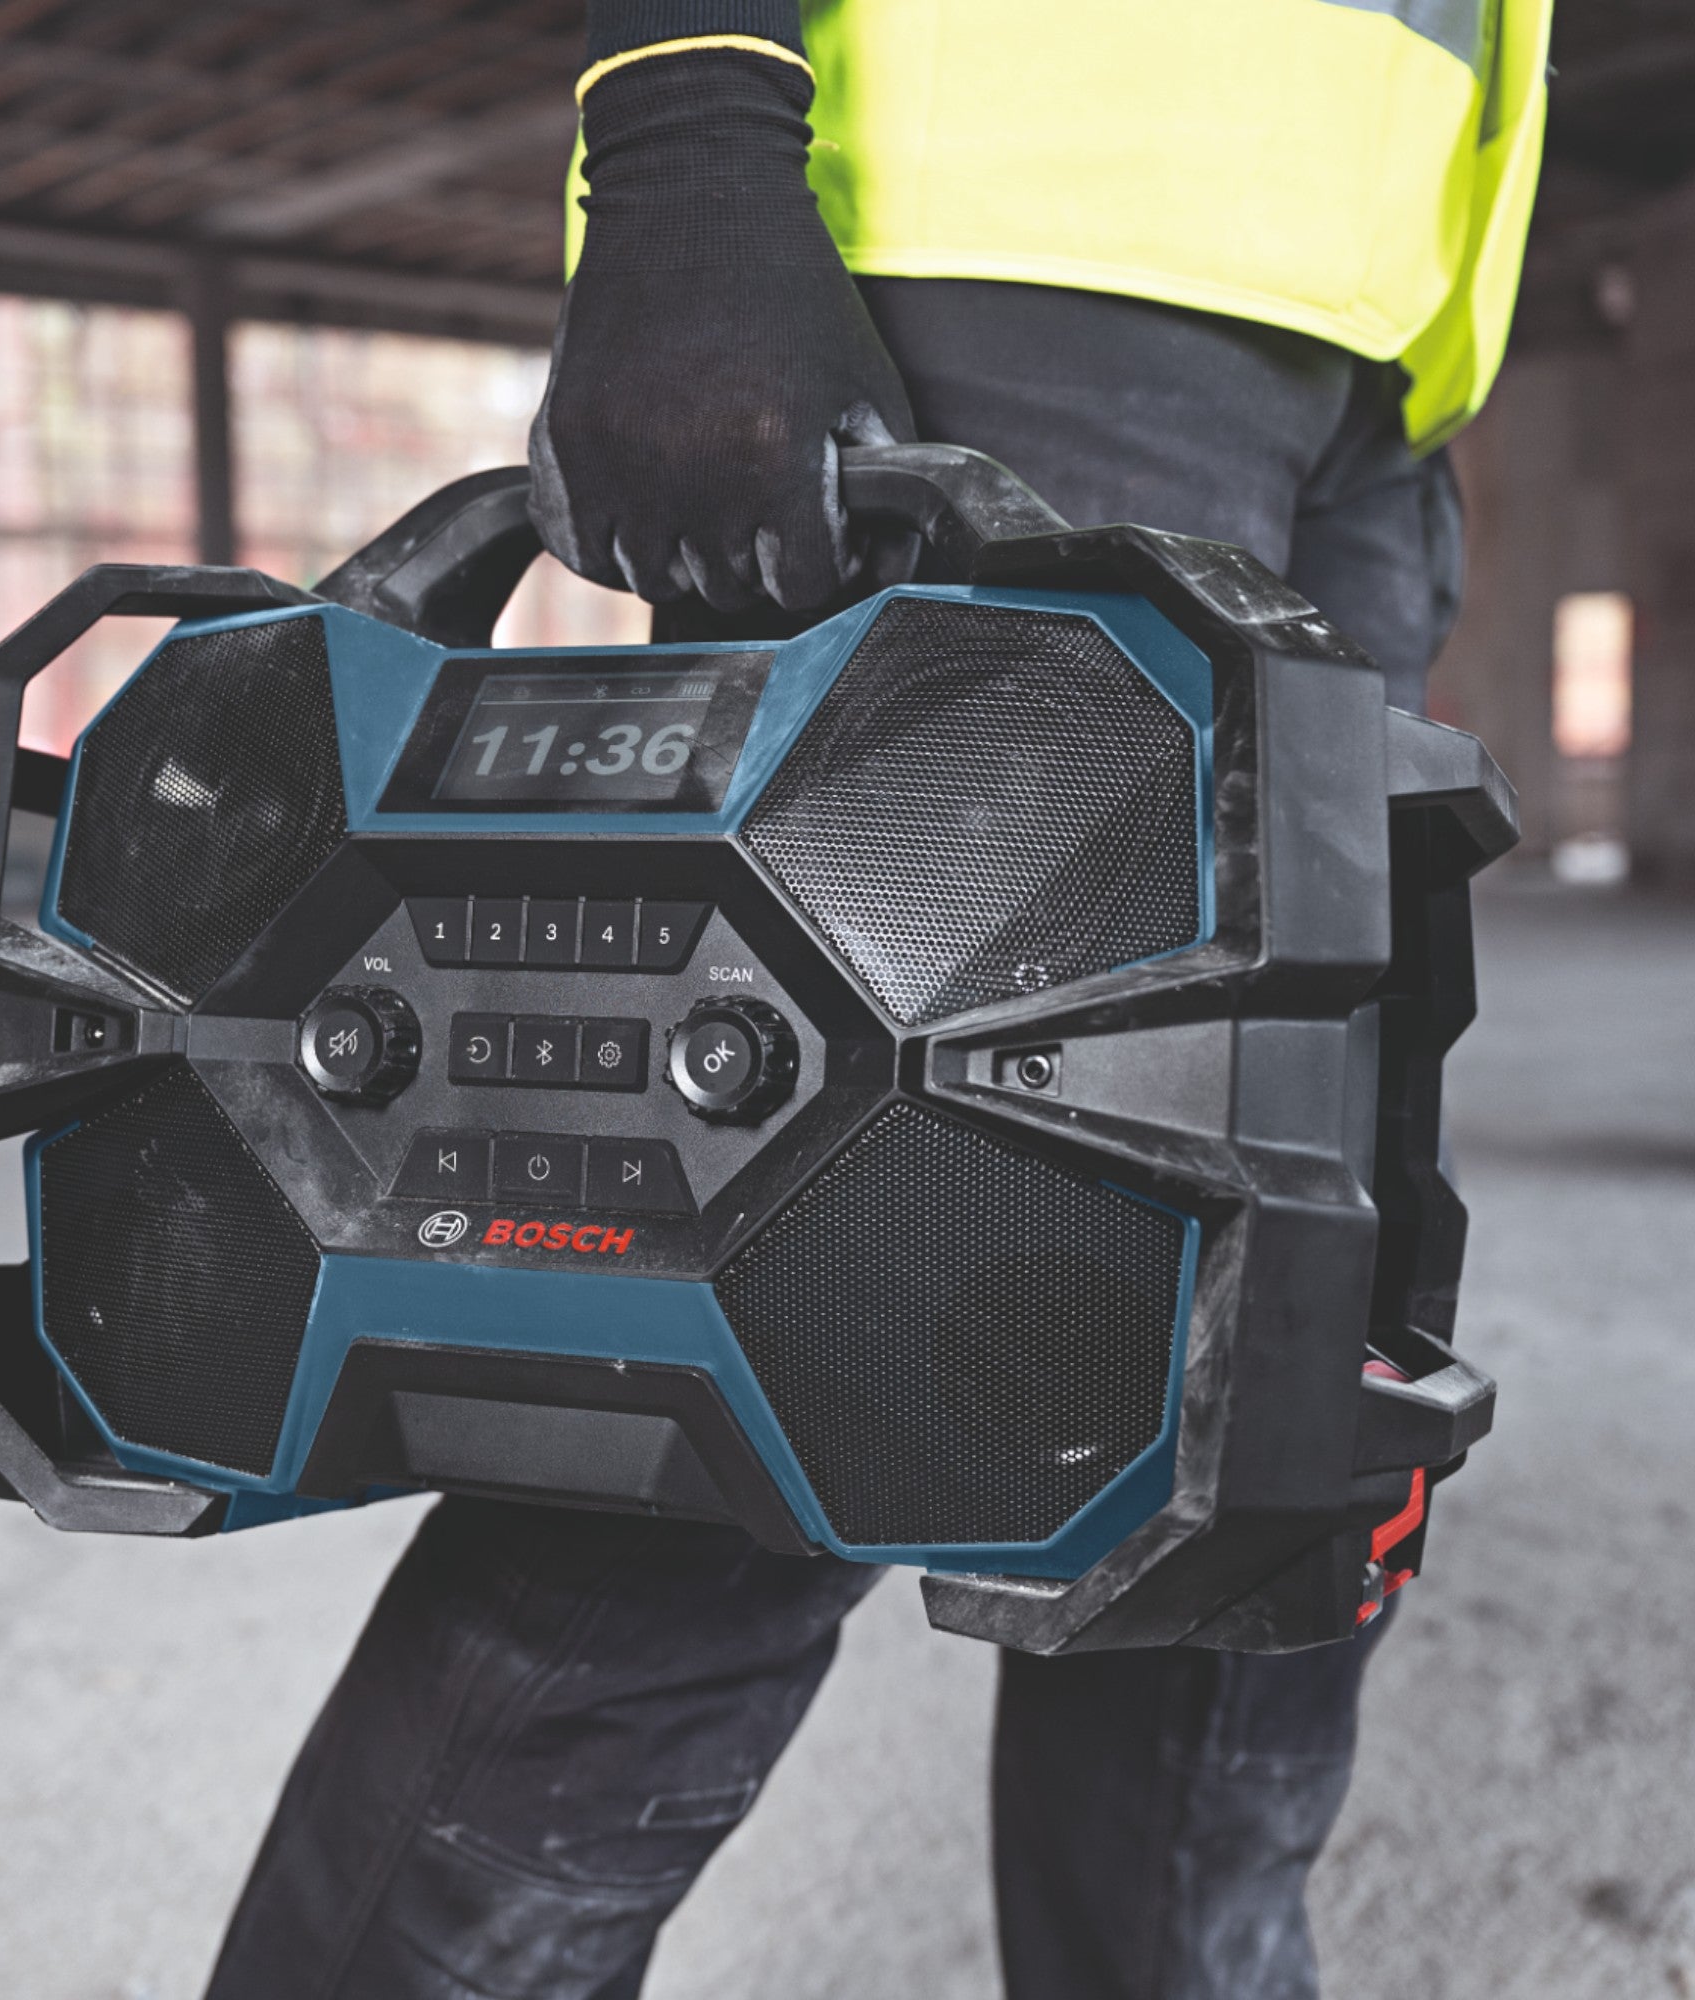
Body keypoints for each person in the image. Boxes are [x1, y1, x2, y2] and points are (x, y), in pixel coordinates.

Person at [205, 4, 1549, 1994]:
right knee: (788, 1321)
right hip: (1017, 249)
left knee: (1260, 1354)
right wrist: (686, 124)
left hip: (1359, 340)